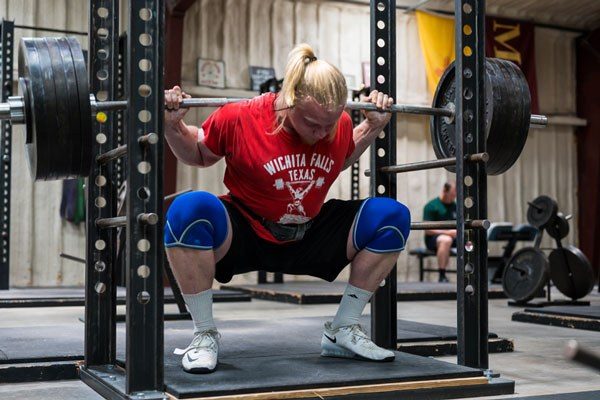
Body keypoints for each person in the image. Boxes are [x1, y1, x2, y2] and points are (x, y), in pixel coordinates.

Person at [163, 43, 411, 374]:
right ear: (289, 98)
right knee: (187, 210)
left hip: (309, 233)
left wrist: (372, 126)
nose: (322, 133)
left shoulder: (332, 127)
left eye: (330, 124)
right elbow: (198, 153)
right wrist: (172, 125)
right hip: (245, 231)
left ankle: (343, 330)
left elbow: (340, 158)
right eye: (312, 124)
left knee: (391, 216)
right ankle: (204, 334)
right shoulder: (241, 117)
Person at [423, 182, 457, 283]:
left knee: (472, 239)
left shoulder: (455, 206)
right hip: (433, 239)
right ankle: (442, 275)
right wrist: (448, 232)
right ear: (444, 191)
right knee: (446, 240)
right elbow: (428, 230)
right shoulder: (431, 206)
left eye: (455, 195)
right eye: (452, 195)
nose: (453, 197)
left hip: (454, 237)